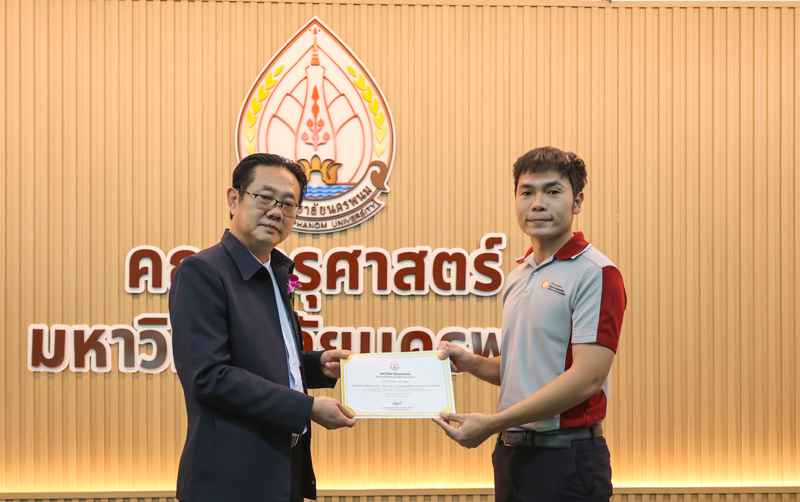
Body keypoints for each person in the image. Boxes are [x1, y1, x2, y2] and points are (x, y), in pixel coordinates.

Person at [434, 146, 626, 501]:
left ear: (577, 201)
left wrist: (493, 422)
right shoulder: (517, 275)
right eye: (527, 193)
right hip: (510, 456)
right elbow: (526, 368)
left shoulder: (597, 273)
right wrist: (472, 363)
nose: (537, 204)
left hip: (566, 460)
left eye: (552, 191)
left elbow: (587, 379)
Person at [170, 153, 357, 502]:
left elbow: (262, 359)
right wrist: (306, 408)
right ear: (234, 199)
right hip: (230, 482)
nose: (276, 212)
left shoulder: (276, 272)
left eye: (288, 204)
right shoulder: (202, 271)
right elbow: (210, 375)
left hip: (282, 473)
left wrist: (316, 365)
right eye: (265, 197)